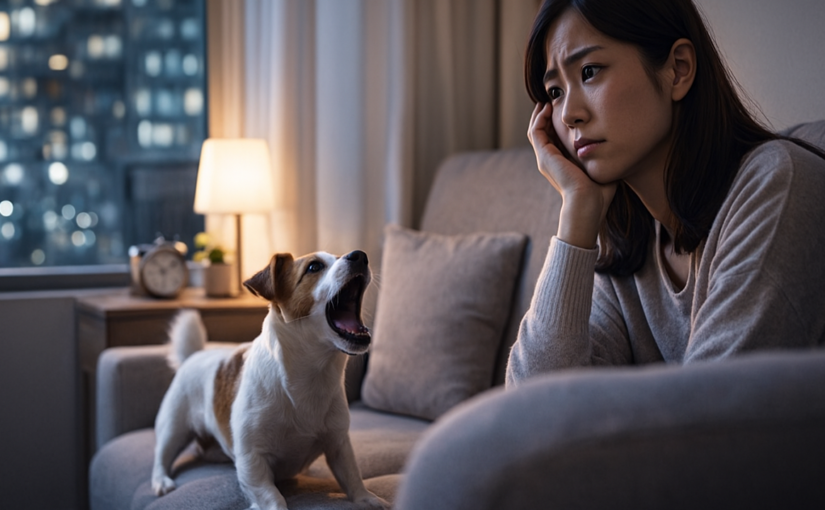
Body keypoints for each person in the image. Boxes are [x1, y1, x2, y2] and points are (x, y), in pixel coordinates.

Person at [506, 0, 825, 387]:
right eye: (554, 92)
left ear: (678, 69)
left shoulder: (776, 188)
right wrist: (577, 211)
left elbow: (712, 422)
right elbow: (531, 411)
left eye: (589, 72)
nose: (569, 113)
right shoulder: (628, 252)